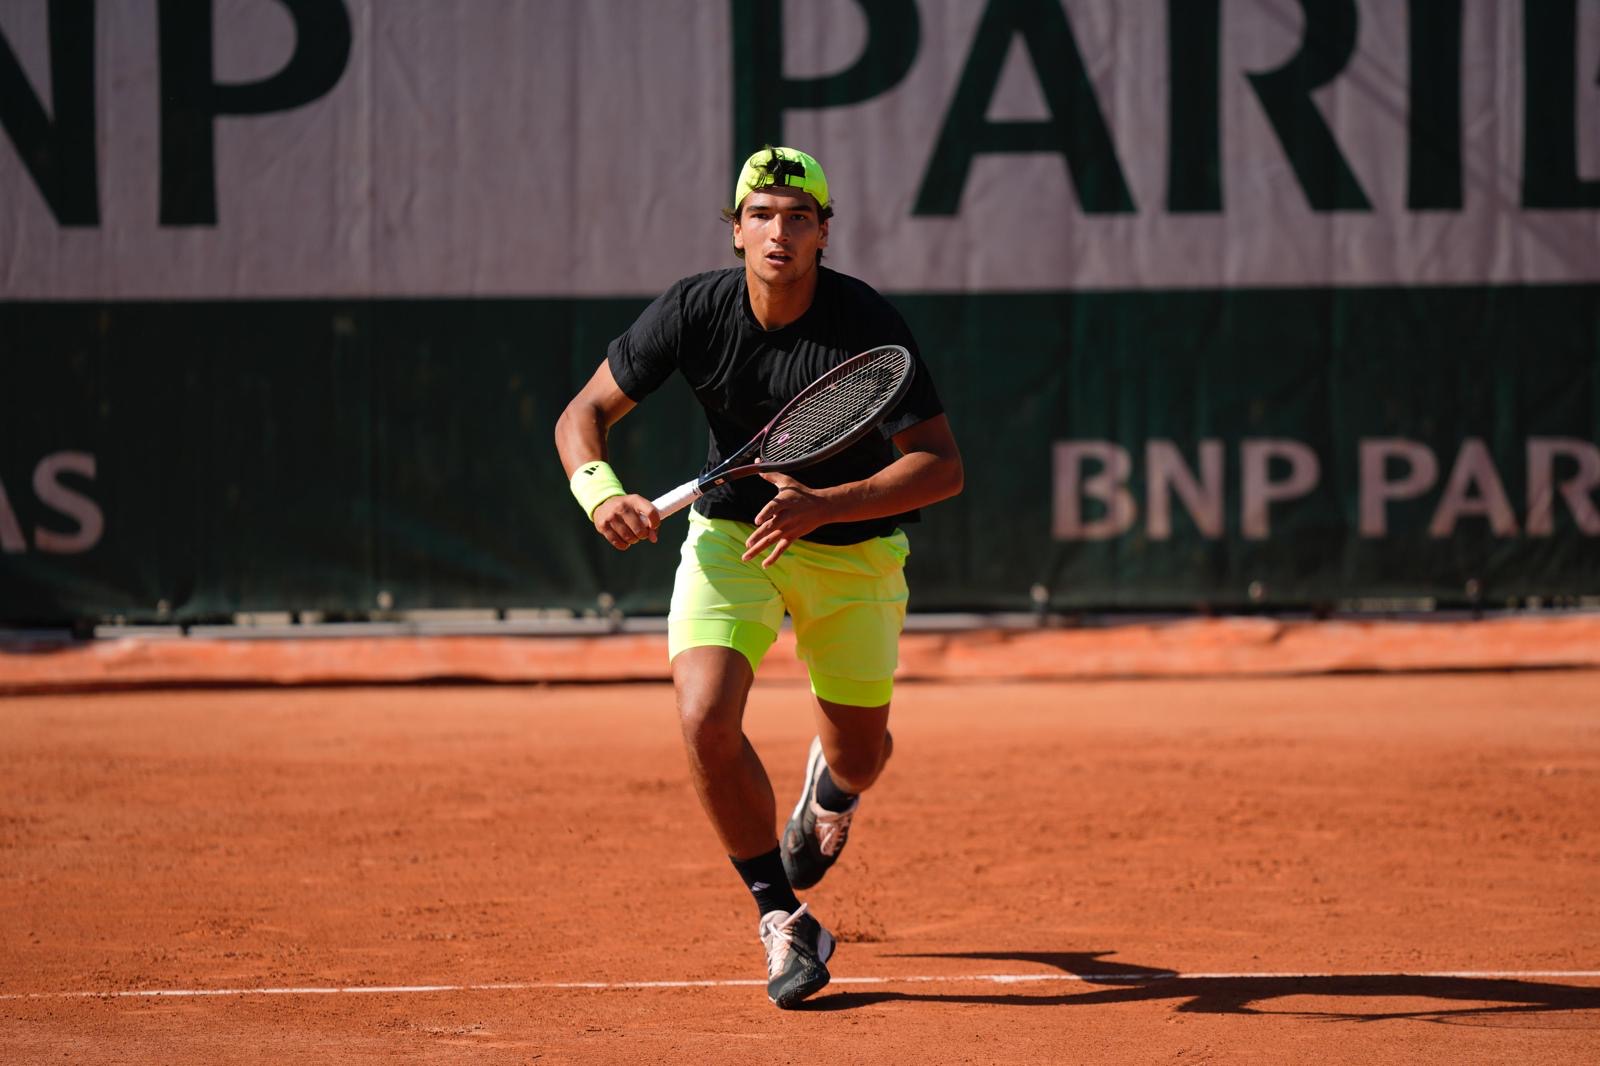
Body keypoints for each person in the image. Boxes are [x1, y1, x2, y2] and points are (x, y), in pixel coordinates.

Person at [553, 146, 963, 1009]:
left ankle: (833, 791)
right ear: (736, 231)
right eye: (763, 215)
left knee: (861, 754)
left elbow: (940, 466)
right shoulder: (694, 310)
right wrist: (602, 493)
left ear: (823, 233)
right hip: (731, 539)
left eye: (798, 217)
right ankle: (783, 915)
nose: (780, 232)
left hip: (854, 548)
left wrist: (826, 505)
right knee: (703, 718)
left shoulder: (866, 323)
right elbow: (582, 413)